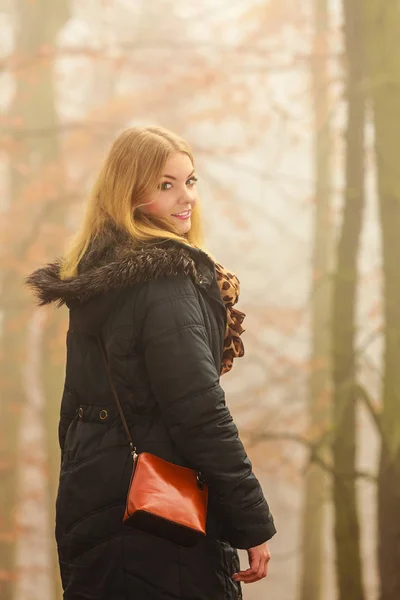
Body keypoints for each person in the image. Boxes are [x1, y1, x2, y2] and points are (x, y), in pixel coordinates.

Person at [26, 126, 276, 600]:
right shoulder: (166, 282)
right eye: (167, 185)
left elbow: (71, 412)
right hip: (161, 513)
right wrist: (251, 521)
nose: (187, 198)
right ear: (130, 194)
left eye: (190, 181)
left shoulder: (94, 277)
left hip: (92, 499)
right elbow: (200, 412)